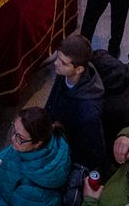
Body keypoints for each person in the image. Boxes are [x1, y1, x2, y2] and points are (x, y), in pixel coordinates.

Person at [0, 106, 72, 206]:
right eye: (13, 129)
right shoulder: (40, 140)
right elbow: (13, 150)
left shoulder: (41, 195)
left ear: (37, 143)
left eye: (19, 137)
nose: (12, 138)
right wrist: (1, 160)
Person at [45, 37, 106, 173]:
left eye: (63, 62)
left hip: (66, 154)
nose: (56, 63)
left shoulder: (88, 111)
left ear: (79, 69)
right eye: (58, 58)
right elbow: (52, 102)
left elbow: (93, 151)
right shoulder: (65, 73)